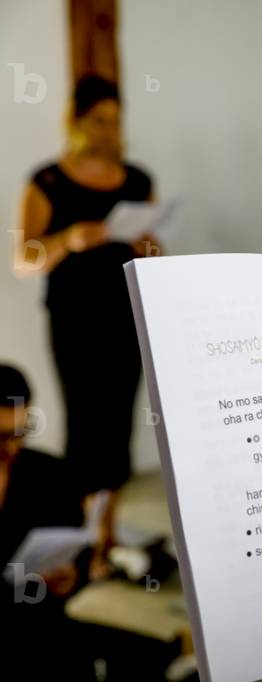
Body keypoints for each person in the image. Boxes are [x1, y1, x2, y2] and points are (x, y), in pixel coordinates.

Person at [12, 74, 160, 558]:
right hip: (74, 320)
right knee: (84, 424)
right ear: (76, 121)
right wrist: (68, 240)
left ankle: (106, 538)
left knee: (118, 424)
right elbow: (23, 257)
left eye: (115, 122)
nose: (107, 131)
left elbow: (157, 250)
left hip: (125, 316)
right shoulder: (47, 181)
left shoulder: (138, 180)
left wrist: (147, 244)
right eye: (98, 121)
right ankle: (75, 545)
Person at [0, 365, 97, 679]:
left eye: (20, 434)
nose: (12, 448)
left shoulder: (50, 475)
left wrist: (72, 577)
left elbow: (78, 550)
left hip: (42, 628)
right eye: (1, 437)